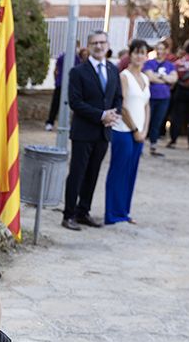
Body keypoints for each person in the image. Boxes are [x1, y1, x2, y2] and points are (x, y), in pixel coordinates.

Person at [61, 30, 122, 231]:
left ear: (108, 45)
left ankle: (83, 211)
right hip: (83, 132)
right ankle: (69, 214)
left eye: (102, 42)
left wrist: (113, 114)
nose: (99, 46)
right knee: (77, 174)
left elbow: (118, 97)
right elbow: (75, 102)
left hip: (103, 133)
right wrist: (101, 115)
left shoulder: (113, 70)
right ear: (88, 46)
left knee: (93, 173)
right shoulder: (78, 72)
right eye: (94, 43)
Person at [105, 40, 150, 225]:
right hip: (123, 130)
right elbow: (122, 106)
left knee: (130, 173)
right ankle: (112, 214)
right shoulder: (124, 76)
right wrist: (135, 129)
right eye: (136, 52)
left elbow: (147, 105)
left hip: (139, 133)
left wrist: (144, 130)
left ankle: (124, 212)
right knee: (119, 172)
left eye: (143, 53)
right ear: (130, 55)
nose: (139, 56)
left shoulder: (145, 78)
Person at [143, 40, 176, 156]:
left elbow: (174, 79)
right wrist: (165, 79)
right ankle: (140, 144)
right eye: (158, 49)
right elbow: (150, 77)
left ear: (166, 51)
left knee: (157, 122)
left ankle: (153, 145)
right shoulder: (149, 63)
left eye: (162, 49)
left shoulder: (170, 65)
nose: (159, 51)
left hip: (164, 98)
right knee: (146, 120)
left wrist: (159, 76)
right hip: (150, 96)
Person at [45, 42, 84, 131]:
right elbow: (56, 70)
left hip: (69, 84)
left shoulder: (75, 58)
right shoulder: (64, 57)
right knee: (56, 104)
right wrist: (57, 81)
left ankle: (55, 123)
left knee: (64, 104)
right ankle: (50, 122)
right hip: (62, 84)